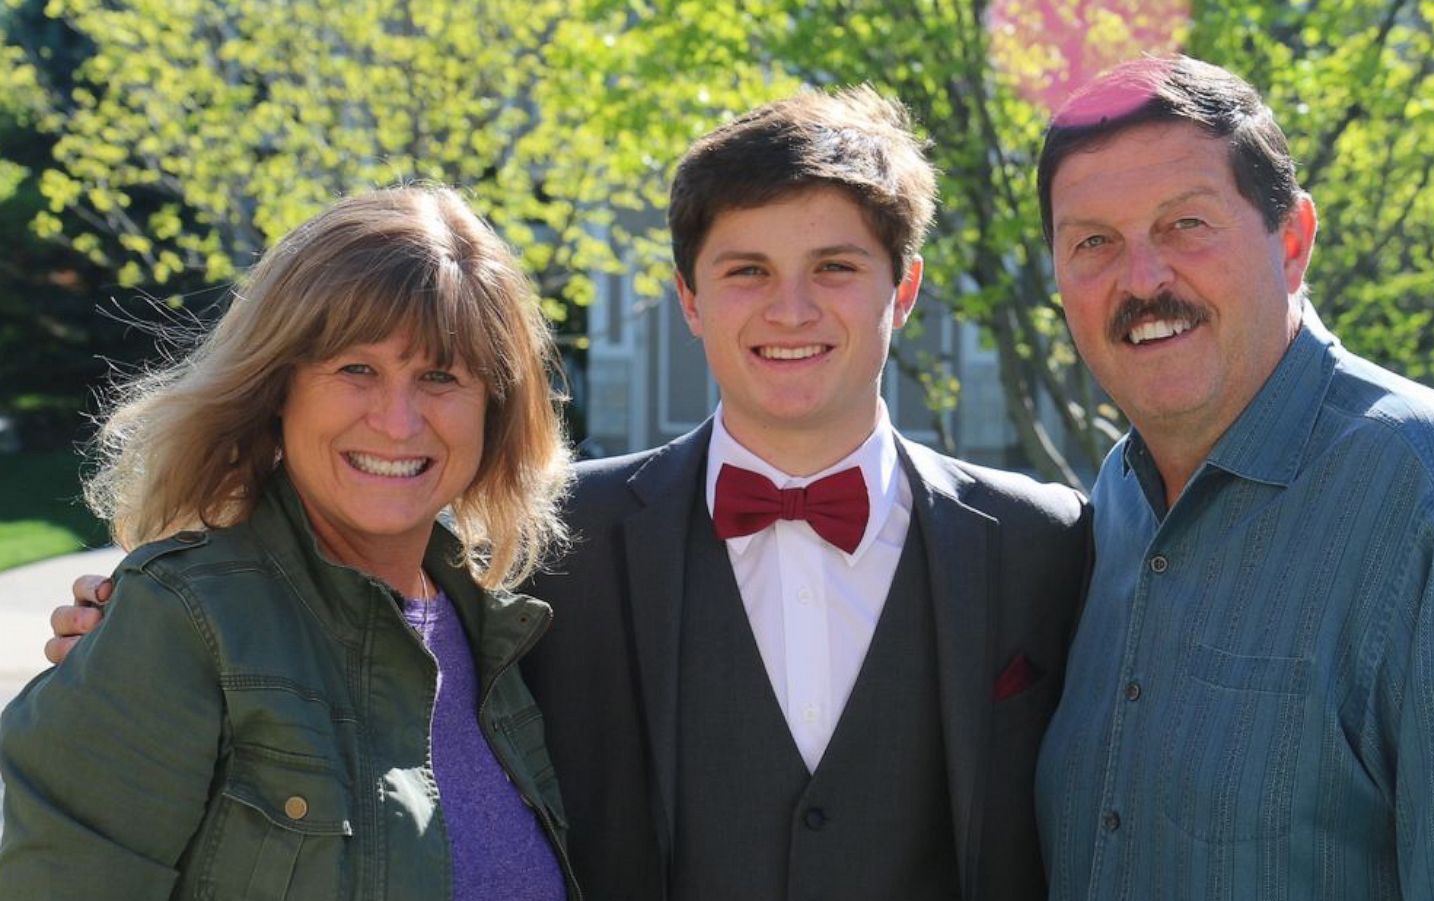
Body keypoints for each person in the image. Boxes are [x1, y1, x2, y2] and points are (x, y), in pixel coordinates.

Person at [48, 86, 1092, 899]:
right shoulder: (552, 549)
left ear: (900, 289)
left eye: (833, 267)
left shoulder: (1046, 544)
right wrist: (140, 624)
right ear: (686, 298)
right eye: (743, 270)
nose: (790, 307)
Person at [1033, 55, 1434, 899]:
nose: (1142, 280)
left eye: (1186, 224)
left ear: (1292, 242)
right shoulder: (1112, 504)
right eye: (1093, 243)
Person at [3, 186, 580, 900]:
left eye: (439, 375)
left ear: (493, 408)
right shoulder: (182, 623)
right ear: (279, 386)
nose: (398, 422)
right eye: (356, 369)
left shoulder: (503, 633)